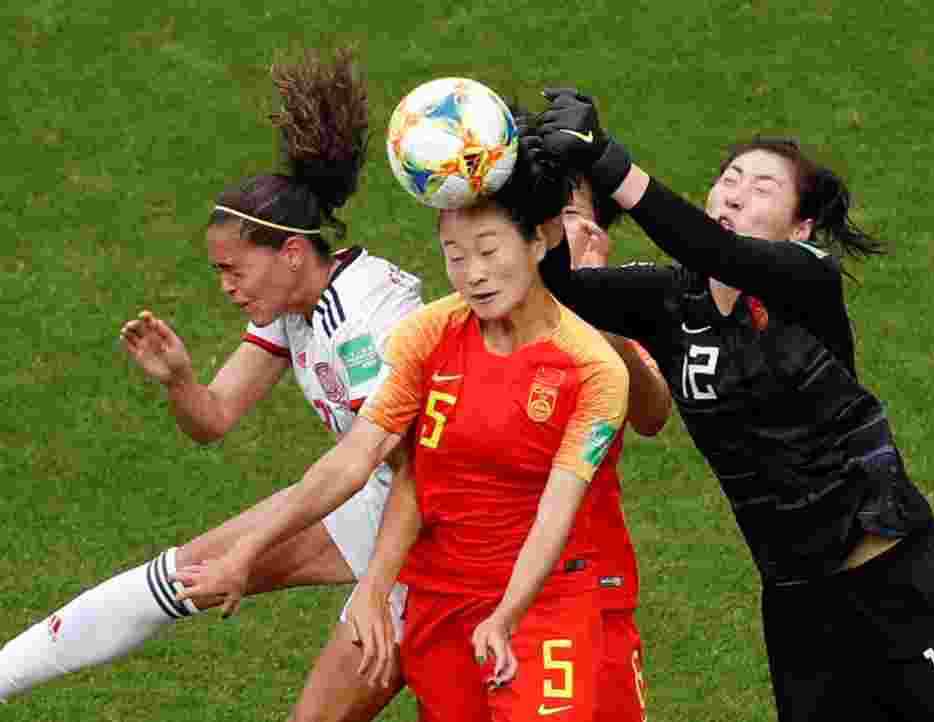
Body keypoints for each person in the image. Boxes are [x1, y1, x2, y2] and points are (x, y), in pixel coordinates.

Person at [529, 88, 934, 720]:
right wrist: (545, 188)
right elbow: (562, 287)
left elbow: (718, 252)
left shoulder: (806, 282)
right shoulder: (669, 302)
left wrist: (607, 159)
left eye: (763, 189)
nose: (736, 193)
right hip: (798, 609)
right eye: (730, 179)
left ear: (800, 228)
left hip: (900, 580)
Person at [0, 48, 422, 722]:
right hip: (384, 498)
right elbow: (216, 418)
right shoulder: (299, 305)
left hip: (436, 533)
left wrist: (368, 582)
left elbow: (412, 471)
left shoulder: (365, 324)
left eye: (233, 270)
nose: (225, 289)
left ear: (289, 254)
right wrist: (180, 381)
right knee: (181, 574)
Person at [174, 114, 631, 722]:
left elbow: (557, 508)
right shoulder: (425, 334)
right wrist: (288, 562)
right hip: (444, 601)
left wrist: (507, 613)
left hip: (547, 601)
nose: (473, 274)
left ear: (538, 242)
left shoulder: (593, 366)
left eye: (489, 252)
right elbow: (360, 461)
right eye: (454, 256)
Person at [563, 174, 670, 722]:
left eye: (567, 211)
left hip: (591, 589)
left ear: (597, 235)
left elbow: (652, 414)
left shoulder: (615, 317)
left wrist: (597, 319)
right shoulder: (469, 313)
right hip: (481, 587)